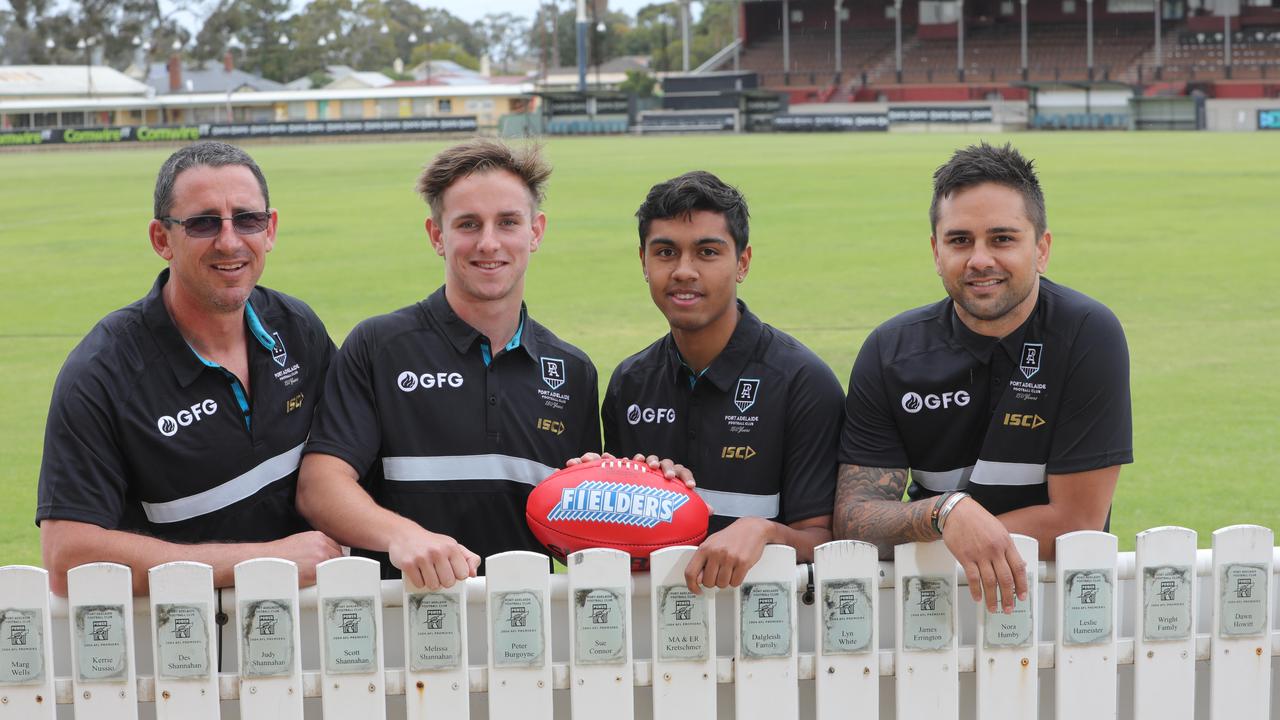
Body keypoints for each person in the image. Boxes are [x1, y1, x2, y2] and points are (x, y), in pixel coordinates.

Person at [834, 142, 1132, 614]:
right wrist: (946, 513)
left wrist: (952, 527)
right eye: (959, 240)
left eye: (1002, 239)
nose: (979, 259)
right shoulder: (889, 351)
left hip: (1052, 607)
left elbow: (1078, 520)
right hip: (924, 609)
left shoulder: (1086, 334)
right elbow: (854, 519)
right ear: (936, 251)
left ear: (1042, 249)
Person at [298, 139, 609, 589]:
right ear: (436, 235)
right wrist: (403, 535)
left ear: (535, 231)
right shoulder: (379, 346)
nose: (488, 243)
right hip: (399, 634)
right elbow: (320, 486)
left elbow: (583, 527)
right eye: (468, 224)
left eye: (507, 222)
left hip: (525, 637)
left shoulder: (573, 372)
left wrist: (652, 484)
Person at [37, 141, 341, 596]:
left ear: (270, 228)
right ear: (162, 239)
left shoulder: (297, 330)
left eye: (247, 219)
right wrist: (261, 562)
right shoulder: (102, 374)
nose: (230, 241)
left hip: (307, 641)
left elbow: (350, 462)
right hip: (178, 650)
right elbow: (67, 556)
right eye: (202, 223)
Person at [599, 171, 845, 594]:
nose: (683, 271)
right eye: (665, 252)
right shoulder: (630, 382)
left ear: (743, 262)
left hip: (767, 638)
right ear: (643, 261)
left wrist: (761, 531)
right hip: (656, 636)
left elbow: (824, 541)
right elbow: (615, 539)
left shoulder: (803, 382)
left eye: (707, 252)